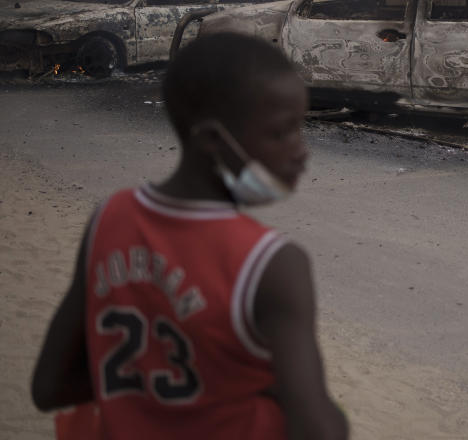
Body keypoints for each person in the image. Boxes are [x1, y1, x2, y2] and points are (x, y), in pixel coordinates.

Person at [31, 33, 349, 440]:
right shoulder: (271, 263)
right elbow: (320, 430)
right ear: (213, 140)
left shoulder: (108, 220)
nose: (301, 151)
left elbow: (49, 388)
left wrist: (149, 383)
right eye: (282, 133)